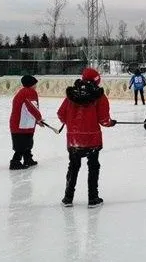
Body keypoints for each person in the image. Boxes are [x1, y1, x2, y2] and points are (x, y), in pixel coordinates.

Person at [57, 68, 117, 208]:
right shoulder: (99, 96)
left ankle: (68, 198)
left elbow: (61, 114)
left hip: (73, 139)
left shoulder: (71, 95)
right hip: (92, 139)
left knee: (73, 167)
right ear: (97, 80)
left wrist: (69, 121)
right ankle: (93, 198)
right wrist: (110, 123)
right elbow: (104, 120)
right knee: (93, 167)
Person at [8, 75, 44, 170]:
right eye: (35, 84)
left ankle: (28, 159)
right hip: (21, 125)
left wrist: (36, 120)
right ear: (31, 84)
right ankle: (15, 162)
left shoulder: (23, 92)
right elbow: (32, 107)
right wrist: (39, 118)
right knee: (21, 145)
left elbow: (28, 109)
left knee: (27, 143)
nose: (36, 86)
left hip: (24, 124)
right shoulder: (29, 92)